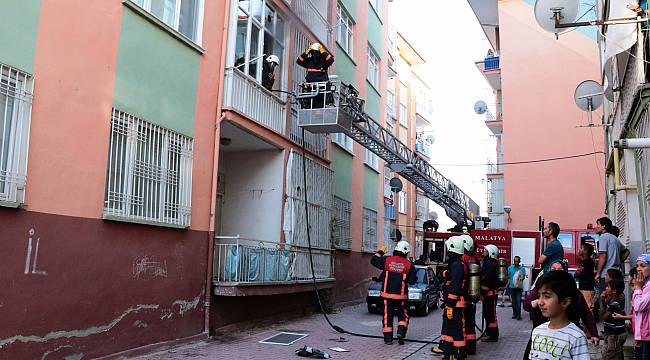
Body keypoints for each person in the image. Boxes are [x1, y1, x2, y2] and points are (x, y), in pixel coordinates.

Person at [522, 261, 599, 360]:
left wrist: (594, 333)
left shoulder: (575, 337)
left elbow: (585, 313)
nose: (541, 302)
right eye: (553, 270)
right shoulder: (538, 332)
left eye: (547, 296)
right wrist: (533, 303)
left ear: (565, 301)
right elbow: (527, 304)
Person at [370, 241, 417, 345]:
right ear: (406, 252)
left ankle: (388, 339)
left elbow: (373, 260)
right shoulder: (409, 265)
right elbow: (413, 280)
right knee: (403, 315)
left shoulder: (387, 260)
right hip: (401, 296)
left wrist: (381, 251)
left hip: (386, 296)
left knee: (387, 316)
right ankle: (401, 332)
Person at [433, 236, 468, 360]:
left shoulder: (457, 265)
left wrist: (450, 303)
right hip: (453, 303)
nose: (447, 250)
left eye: (448, 247)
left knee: (457, 329)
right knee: (448, 328)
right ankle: (448, 351)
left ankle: (458, 354)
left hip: (455, 304)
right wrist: (443, 274)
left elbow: (455, 285)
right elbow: (450, 276)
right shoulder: (456, 264)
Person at [594, 217, 630, 295]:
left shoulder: (603, 237)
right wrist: (619, 261)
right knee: (614, 297)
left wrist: (598, 273)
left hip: (606, 274)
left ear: (603, 226)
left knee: (604, 298)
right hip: (617, 273)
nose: (595, 227)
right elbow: (627, 251)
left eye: (598, 224)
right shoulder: (615, 239)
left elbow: (603, 256)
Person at [460, 234, 479, 355]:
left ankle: (462, 346)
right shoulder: (474, 258)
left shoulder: (463, 258)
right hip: (473, 294)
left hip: (464, 294)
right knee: (471, 322)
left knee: (462, 322)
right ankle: (471, 347)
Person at [600, 278, 627, 360]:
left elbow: (603, 316)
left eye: (608, 287)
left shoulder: (615, 303)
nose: (606, 288)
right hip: (615, 333)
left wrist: (601, 301)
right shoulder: (615, 299)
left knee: (610, 355)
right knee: (617, 353)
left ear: (614, 291)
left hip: (614, 335)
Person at [630, 254, 650, 358]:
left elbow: (638, 306)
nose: (638, 269)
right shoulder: (645, 284)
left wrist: (637, 288)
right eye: (637, 266)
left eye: (642, 266)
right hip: (644, 335)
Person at [480, 244, 500, 342]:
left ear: (491, 253)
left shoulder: (490, 265)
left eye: (485, 250)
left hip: (490, 294)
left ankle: (493, 335)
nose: (483, 251)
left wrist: (482, 294)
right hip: (489, 294)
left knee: (491, 315)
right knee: (487, 314)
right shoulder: (489, 263)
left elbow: (487, 281)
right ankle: (489, 332)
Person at [574, 243, 596, 311]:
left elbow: (578, 273)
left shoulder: (587, 262)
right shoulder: (586, 261)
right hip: (585, 287)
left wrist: (577, 273)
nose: (579, 250)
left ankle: (589, 321)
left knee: (587, 307)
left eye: (581, 248)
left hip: (587, 288)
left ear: (585, 251)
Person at [507, 256, 526, 320]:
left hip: (519, 287)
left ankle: (518, 315)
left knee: (518, 301)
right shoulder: (510, 268)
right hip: (512, 287)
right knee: (513, 302)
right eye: (515, 261)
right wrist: (506, 285)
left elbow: (523, 278)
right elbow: (509, 277)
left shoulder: (522, 269)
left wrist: (520, 277)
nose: (516, 262)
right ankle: (514, 314)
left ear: (519, 261)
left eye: (517, 261)